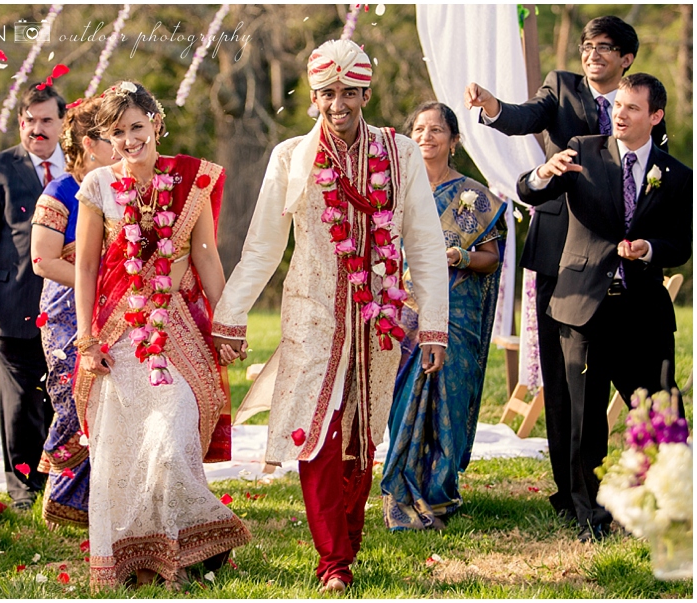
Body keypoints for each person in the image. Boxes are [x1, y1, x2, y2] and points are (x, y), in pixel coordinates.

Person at [212, 40, 449, 592]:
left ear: (365, 92)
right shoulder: (291, 157)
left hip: (379, 316)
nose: (337, 104)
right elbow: (263, 248)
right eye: (326, 93)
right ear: (313, 97)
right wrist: (231, 316)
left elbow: (425, 242)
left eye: (348, 92)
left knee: (360, 437)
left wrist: (433, 323)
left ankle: (346, 540)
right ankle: (332, 561)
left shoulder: (400, 154)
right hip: (311, 315)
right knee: (314, 431)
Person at [463, 15, 667, 521]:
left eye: (604, 47)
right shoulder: (562, 88)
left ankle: (656, 481)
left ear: (627, 59)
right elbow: (524, 114)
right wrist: (493, 108)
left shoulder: (638, 106)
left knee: (633, 373)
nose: (592, 54)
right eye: (586, 45)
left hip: (620, 261)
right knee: (565, 379)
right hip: (560, 250)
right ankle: (570, 492)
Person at [73, 81, 251, 591]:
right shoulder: (99, 186)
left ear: (156, 122)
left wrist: (227, 319)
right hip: (116, 331)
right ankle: (138, 561)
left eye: (136, 127)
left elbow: (206, 256)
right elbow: (85, 267)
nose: (128, 140)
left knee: (171, 440)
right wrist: (86, 342)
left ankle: (186, 546)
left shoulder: (190, 180)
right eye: (117, 132)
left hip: (175, 328)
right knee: (122, 450)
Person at [517, 74, 691, 542]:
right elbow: (529, 192)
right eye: (618, 105)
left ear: (654, 117)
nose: (620, 113)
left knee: (662, 410)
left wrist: (650, 248)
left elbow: (681, 243)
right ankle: (589, 516)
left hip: (643, 312)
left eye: (633, 108)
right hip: (581, 306)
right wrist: (542, 174)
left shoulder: (677, 176)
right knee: (582, 418)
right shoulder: (582, 150)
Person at [380, 103, 506, 531]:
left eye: (437, 130)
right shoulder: (393, 191)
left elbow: (490, 258)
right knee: (404, 401)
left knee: (449, 398)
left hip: (458, 313)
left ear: (454, 140)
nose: (426, 136)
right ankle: (399, 492)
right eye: (419, 128)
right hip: (407, 314)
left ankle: (438, 493)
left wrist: (463, 255)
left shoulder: (473, 195)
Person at [0, 83, 65, 510]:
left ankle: (62, 482)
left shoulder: (82, 169)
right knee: (21, 401)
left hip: (68, 305)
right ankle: (24, 490)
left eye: (45, 120)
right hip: (11, 302)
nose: (36, 129)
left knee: (62, 395)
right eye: (28, 121)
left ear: (62, 123)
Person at [30, 96, 115, 528]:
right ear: (88, 142)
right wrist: (99, 283)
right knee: (74, 399)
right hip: (68, 312)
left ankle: (106, 496)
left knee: (113, 399)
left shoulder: (120, 186)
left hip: (118, 310)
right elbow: (42, 260)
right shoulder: (60, 191)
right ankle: (65, 500)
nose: (121, 143)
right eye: (111, 134)